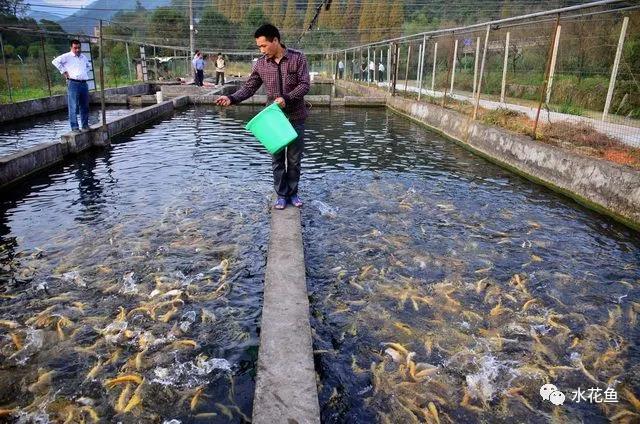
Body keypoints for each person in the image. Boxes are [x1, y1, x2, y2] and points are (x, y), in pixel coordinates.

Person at [215, 24, 310, 210]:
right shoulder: (261, 64)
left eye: (264, 45)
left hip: (296, 117)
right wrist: (231, 98)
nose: (261, 50)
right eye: (259, 46)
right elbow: (250, 87)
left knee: (294, 160)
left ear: (275, 40)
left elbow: (305, 84)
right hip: (273, 120)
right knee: (276, 159)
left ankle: (293, 193)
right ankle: (282, 194)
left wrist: (287, 98)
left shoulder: (298, 58)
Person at [51, 39, 91, 132]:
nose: (77, 50)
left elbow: (88, 65)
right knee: (73, 106)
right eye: (75, 48)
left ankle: (85, 125)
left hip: (83, 83)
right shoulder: (67, 56)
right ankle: (75, 127)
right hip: (73, 83)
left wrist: (84, 72)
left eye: (78, 48)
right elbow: (55, 61)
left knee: (84, 106)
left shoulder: (83, 57)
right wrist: (64, 71)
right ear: (71, 47)